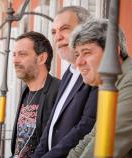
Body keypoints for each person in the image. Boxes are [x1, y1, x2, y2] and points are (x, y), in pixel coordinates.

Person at [68, 18, 132, 158]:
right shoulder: (113, 84)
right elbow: (92, 138)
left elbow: (104, 148)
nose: (78, 62)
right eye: (77, 54)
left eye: (87, 52)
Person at [33, 6, 98, 158]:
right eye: (54, 32)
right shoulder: (68, 73)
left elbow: (85, 128)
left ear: (86, 30)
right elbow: (51, 125)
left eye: (65, 29)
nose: (57, 37)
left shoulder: (96, 74)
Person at [10, 31, 61, 158]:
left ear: (42, 58)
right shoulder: (25, 92)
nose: (15, 60)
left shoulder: (59, 91)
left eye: (22, 54)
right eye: (14, 55)